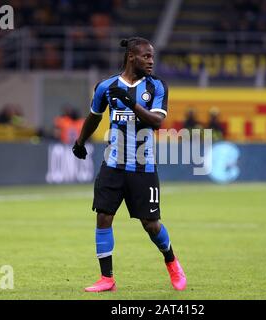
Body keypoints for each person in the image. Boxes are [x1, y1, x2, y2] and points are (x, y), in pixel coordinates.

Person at [72, 37, 187, 292]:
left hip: (143, 167)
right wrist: (80, 142)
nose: (151, 61)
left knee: (151, 224)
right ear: (131, 57)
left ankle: (172, 262)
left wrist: (130, 102)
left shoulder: (157, 86)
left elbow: (156, 123)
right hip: (112, 164)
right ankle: (107, 279)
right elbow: (94, 117)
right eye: (146, 56)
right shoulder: (105, 87)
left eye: (152, 57)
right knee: (103, 217)